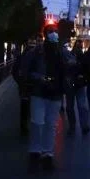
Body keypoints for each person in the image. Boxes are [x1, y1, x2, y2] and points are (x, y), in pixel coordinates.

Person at [22, 24, 66, 171]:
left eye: (55, 32)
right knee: (37, 123)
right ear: (45, 34)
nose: (54, 34)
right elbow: (25, 71)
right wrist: (40, 78)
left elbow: (67, 68)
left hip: (55, 93)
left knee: (51, 125)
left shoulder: (62, 52)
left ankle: (48, 154)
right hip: (39, 92)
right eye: (51, 32)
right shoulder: (35, 52)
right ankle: (35, 152)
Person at [12, 38, 38, 138]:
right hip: (28, 87)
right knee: (29, 108)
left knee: (25, 108)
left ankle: (25, 127)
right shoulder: (24, 57)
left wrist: (19, 82)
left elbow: (14, 72)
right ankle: (27, 127)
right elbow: (15, 71)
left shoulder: (23, 57)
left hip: (27, 87)